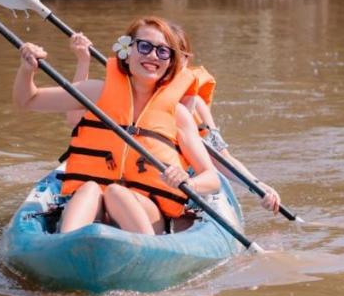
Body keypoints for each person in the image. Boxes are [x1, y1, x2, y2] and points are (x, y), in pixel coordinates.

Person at [14, 16, 221, 235]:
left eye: (162, 51)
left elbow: (212, 178)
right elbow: (28, 100)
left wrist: (187, 180)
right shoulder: (96, 92)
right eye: (144, 46)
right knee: (90, 189)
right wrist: (27, 70)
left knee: (116, 193)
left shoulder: (177, 114)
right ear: (127, 51)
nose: (152, 55)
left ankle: (144, 251)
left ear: (170, 62)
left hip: (147, 210)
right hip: (93, 206)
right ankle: (67, 245)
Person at [63, 25, 283, 215]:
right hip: (116, 178)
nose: (156, 58)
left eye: (171, 54)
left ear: (185, 60)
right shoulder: (129, 92)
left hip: (173, 185)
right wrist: (83, 62)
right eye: (151, 50)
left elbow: (221, 158)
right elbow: (75, 120)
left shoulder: (195, 108)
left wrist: (257, 186)